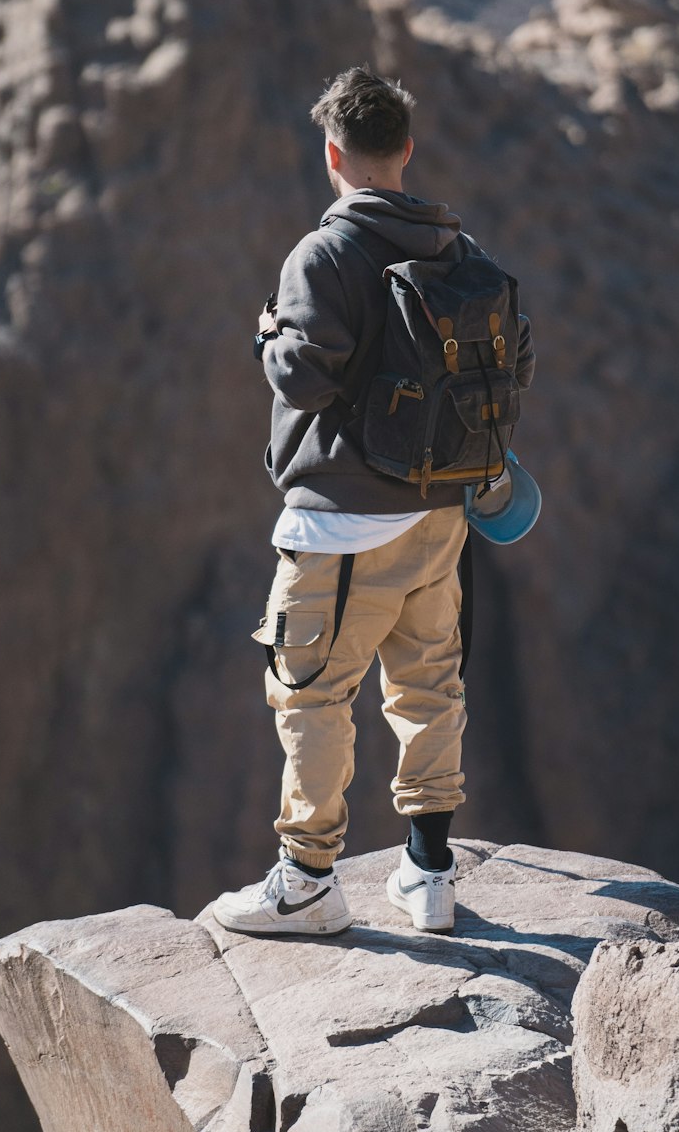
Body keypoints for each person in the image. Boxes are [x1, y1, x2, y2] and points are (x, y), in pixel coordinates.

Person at [213, 66, 534, 937]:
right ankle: (428, 872)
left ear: (332, 156)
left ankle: (308, 877)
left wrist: (269, 335)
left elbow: (304, 380)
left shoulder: (323, 254)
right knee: (428, 684)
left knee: (311, 691)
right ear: (406, 151)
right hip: (439, 516)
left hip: (342, 527)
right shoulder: (459, 253)